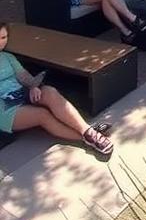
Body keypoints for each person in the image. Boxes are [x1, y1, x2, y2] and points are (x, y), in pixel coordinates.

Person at [0, 21, 114, 157]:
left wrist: (33, 86)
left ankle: (88, 131)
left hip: (21, 93)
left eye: (4, 37)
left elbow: (24, 76)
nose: (1, 42)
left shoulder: (7, 57)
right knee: (42, 114)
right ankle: (89, 138)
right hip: (5, 107)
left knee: (50, 92)